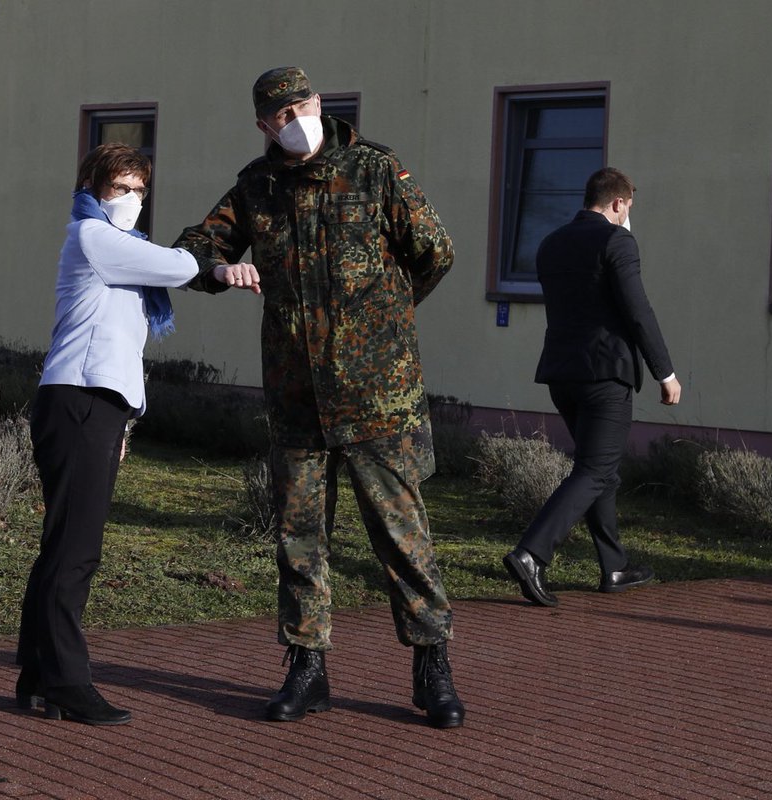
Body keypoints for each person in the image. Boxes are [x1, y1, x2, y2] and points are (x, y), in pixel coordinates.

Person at [175, 67, 464, 729]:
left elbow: (435, 251)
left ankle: (432, 668)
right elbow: (196, 246)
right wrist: (220, 269)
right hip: (298, 399)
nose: (293, 119)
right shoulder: (258, 186)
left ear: (319, 103)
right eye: (279, 114)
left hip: (377, 397)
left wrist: (385, 320)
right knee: (299, 538)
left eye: (301, 105)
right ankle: (307, 667)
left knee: (403, 539)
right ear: (263, 125)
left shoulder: (375, 170)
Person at [16, 143, 259, 725]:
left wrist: (122, 419)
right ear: (93, 188)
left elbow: (122, 341)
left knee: (64, 546)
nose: (131, 200)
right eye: (119, 188)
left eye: (139, 190)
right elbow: (175, 265)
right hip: (78, 400)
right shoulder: (93, 239)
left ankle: (36, 675)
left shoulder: (123, 253)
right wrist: (220, 267)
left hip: (93, 405)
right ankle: (69, 683)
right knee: (77, 552)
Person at [502, 167, 682, 608]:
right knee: (595, 470)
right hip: (606, 375)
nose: (627, 216)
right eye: (628, 208)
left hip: (562, 374)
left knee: (601, 470)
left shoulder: (551, 243)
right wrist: (665, 372)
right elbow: (638, 310)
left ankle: (614, 567)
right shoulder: (617, 241)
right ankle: (531, 553)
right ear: (618, 203)